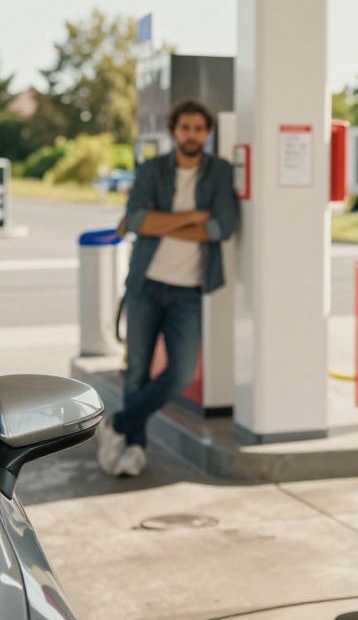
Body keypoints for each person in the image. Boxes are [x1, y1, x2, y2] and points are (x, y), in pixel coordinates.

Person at [97, 99, 238, 477]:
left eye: (198, 128)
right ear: (174, 131)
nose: (191, 135)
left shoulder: (220, 172)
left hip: (189, 291)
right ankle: (134, 450)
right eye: (185, 128)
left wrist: (160, 222)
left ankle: (119, 424)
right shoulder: (152, 169)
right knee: (137, 370)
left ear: (207, 134)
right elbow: (137, 220)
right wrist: (192, 216)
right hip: (146, 284)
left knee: (179, 374)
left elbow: (222, 227)